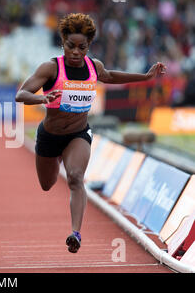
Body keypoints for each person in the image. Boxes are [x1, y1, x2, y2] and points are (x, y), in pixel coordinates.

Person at [15, 13, 166, 253]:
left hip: (78, 134)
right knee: (47, 184)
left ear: (89, 46)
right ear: (62, 43)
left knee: (75, 177)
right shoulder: (50, 68)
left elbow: (111, 76)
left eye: (82, 47)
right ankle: (55, 159)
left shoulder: (94, 66)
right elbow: (21, 94)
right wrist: (42, 97)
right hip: (49, 136)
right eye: (70, 46)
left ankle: (75, 233)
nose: (76, 52)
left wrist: (145, 77)